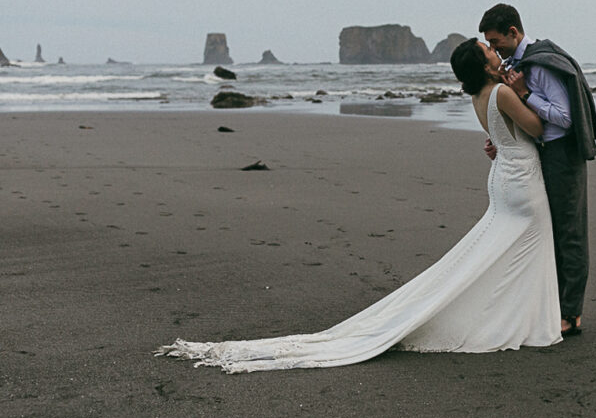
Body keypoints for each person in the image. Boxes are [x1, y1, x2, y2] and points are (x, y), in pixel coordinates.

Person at [156, 39, 561, 372]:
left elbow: (501, 135)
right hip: (522, 182)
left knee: (494, 254)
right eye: (487, 50)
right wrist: (525, 92)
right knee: (523, 251)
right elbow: (538, 128)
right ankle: (526, 322)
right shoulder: (505, 92)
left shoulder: (480, 96)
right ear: (485, 65)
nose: (494, 50)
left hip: (502, 179)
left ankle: (518, 316)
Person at [478, 3, 596, 337]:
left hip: (564, 155)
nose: (493, 49)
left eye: (495, 41)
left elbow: (565, 118)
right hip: (541, 154)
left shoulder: (542, 64)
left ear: (513, 32)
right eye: (489, 45)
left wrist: (525, 93)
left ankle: (572, 314)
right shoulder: (515, 66)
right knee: (548, 231)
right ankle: (552, 304)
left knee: (570, 233)